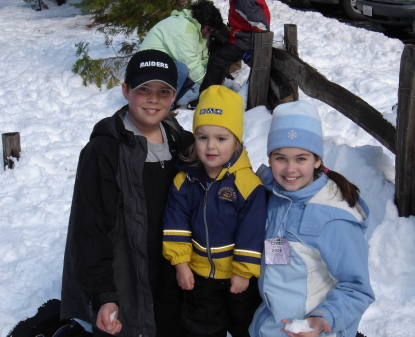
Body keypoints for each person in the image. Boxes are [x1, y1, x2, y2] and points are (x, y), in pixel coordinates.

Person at [60, 49, 194, 337]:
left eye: (164, 91)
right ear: (125, 90)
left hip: (171, 275)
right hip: (126, 280)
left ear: (174, 96)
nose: (154, 99)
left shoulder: (181, 142)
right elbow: (90, 227)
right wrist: (104, 294)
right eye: (143, 89)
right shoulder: (105, 149)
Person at [249, 101, 375, 337]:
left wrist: (321, 319)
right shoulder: (274, 194)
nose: (289, 169)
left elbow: (357, 288)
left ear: (317, 161)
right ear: (269, 159)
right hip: (271, 325)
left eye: (301, 159)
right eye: (280, 158)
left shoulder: (332, 218)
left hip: (312, 330)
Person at [162, 85, 267, 337]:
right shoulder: (184, 180)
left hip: (237, 276)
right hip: (199, 276)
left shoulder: (248, 184)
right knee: (203, 326)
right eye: (202, 137)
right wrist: (181, 264)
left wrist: (243, 272)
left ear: (236, 140)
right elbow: (176, 224)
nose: (211, 146)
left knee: (245, 324)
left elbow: (252, 232)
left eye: (221, 138)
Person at [189, 0, 270, 109]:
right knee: (217, 52)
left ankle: (207, 98)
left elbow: (262, 26)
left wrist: (257, 47)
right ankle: (215, 91)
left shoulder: (244, 2)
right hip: (241, 37)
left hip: (246, 41)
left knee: (217, 61)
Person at [139, 1, 223, 105]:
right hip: (145, 69)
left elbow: (202, 60)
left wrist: (213, 77)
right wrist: (212, 84)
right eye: (209, 29)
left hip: (160, 67)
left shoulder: (197, 31)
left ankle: (169, 103)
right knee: (183, 69)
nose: (210, 33)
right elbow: (191, 63)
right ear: (202, 22)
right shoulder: (183, 29)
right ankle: (159, 104)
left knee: (192, 72)